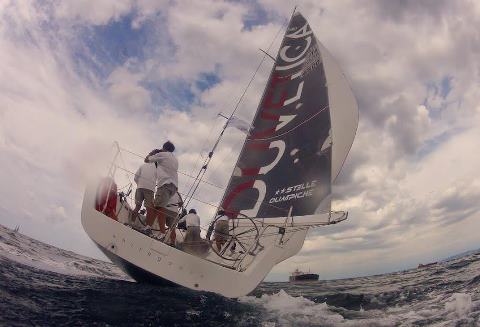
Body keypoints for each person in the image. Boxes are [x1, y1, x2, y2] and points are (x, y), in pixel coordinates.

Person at [145, 141, 178, 243]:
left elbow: (146, 160)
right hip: (173, 186)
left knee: (159, 208)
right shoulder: (175, 159)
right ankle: (148, 228)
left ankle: (162, 234)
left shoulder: (162, 154)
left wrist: (153, 153)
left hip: (165, 184)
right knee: (156, 207)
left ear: (164, 148)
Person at [132, 161, 157, 227]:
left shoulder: (143, 165)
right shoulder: (157, 168)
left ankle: (132, 222)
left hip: (139, 187)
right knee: (149, 209)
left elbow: (135, 178)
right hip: (150, 189)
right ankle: (147, 227)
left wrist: (139, 184)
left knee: (137, 207)